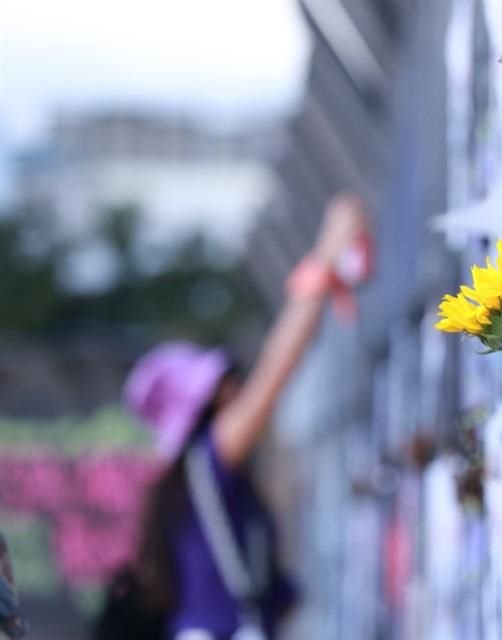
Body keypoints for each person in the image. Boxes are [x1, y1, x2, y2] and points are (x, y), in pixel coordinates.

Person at [114, 195, 369, 640]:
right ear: (208, 403)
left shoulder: (193, 481)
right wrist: (326, 255)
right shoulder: (211, 456)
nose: (239, 388)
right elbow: (276, 368)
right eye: (226, 382)